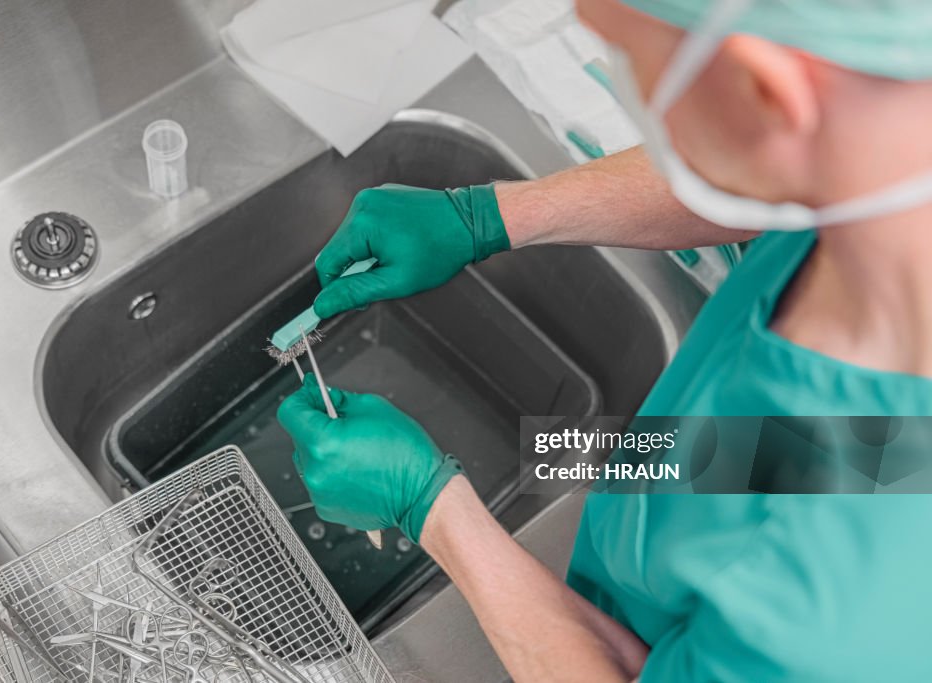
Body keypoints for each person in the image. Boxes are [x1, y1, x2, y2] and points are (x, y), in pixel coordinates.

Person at [277, 0, 932, 680]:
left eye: (628, 58)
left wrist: (432, 509)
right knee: (556, 450)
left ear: (766, 89)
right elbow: (768, 168)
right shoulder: (893, 143)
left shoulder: (849, 601)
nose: (621, 82)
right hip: (690, 462)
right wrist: (486, 216)